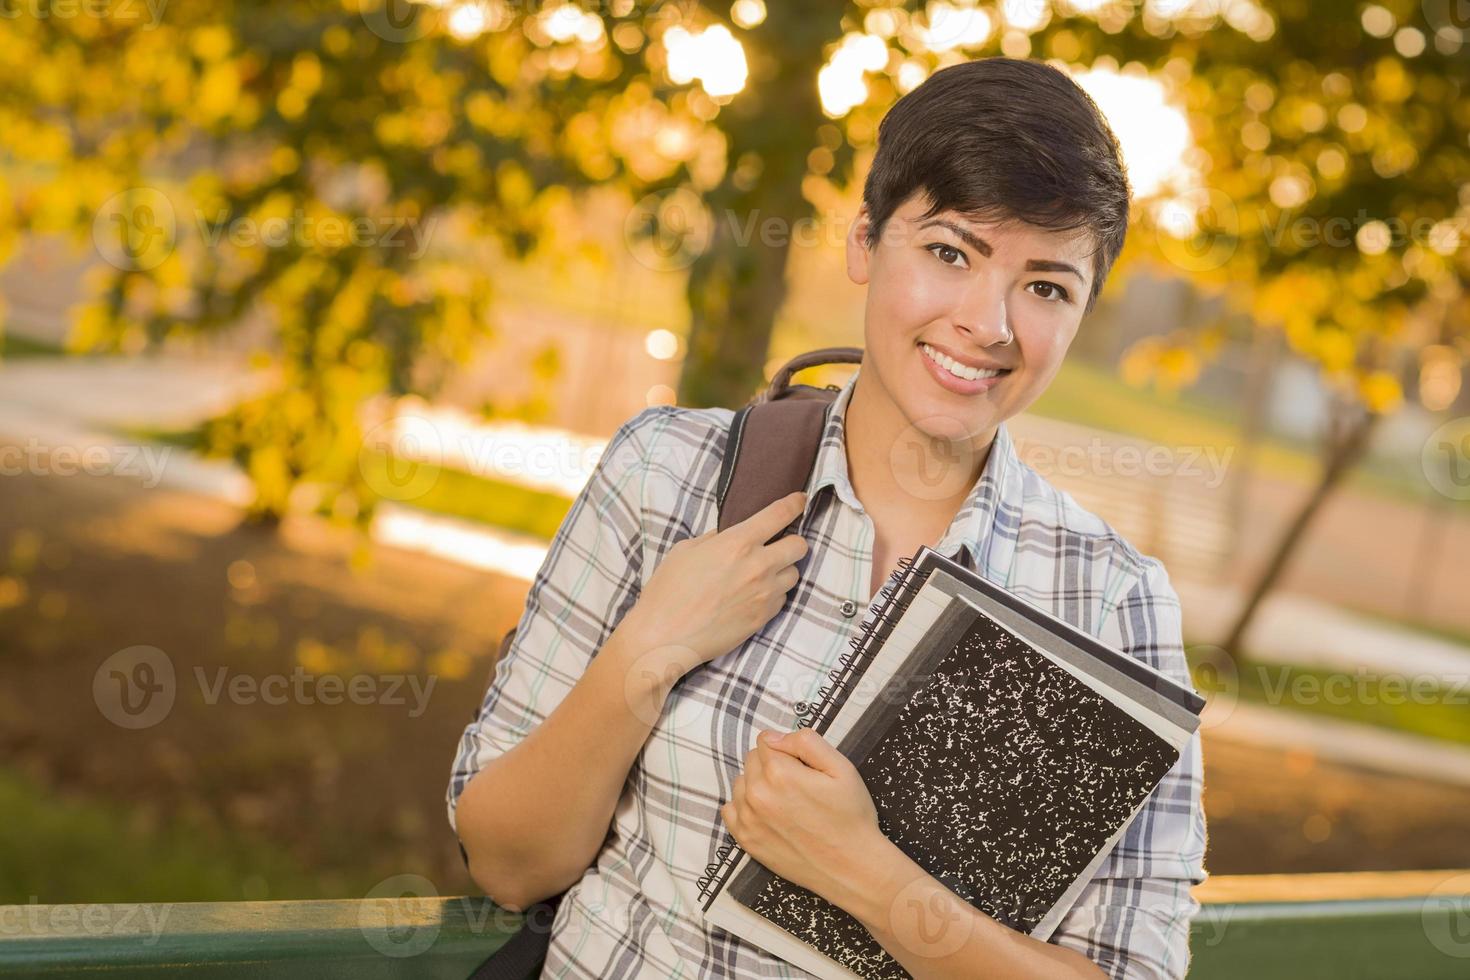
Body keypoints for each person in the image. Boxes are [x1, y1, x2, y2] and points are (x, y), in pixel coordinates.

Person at [447, 55, 1207, 980]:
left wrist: (867, 877)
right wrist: (647, 654)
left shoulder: (1110, 599)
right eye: (949, 253)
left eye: (1046, 286)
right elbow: (510, 864)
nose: (989, 322)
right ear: (864, 242)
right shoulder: (670, 473)